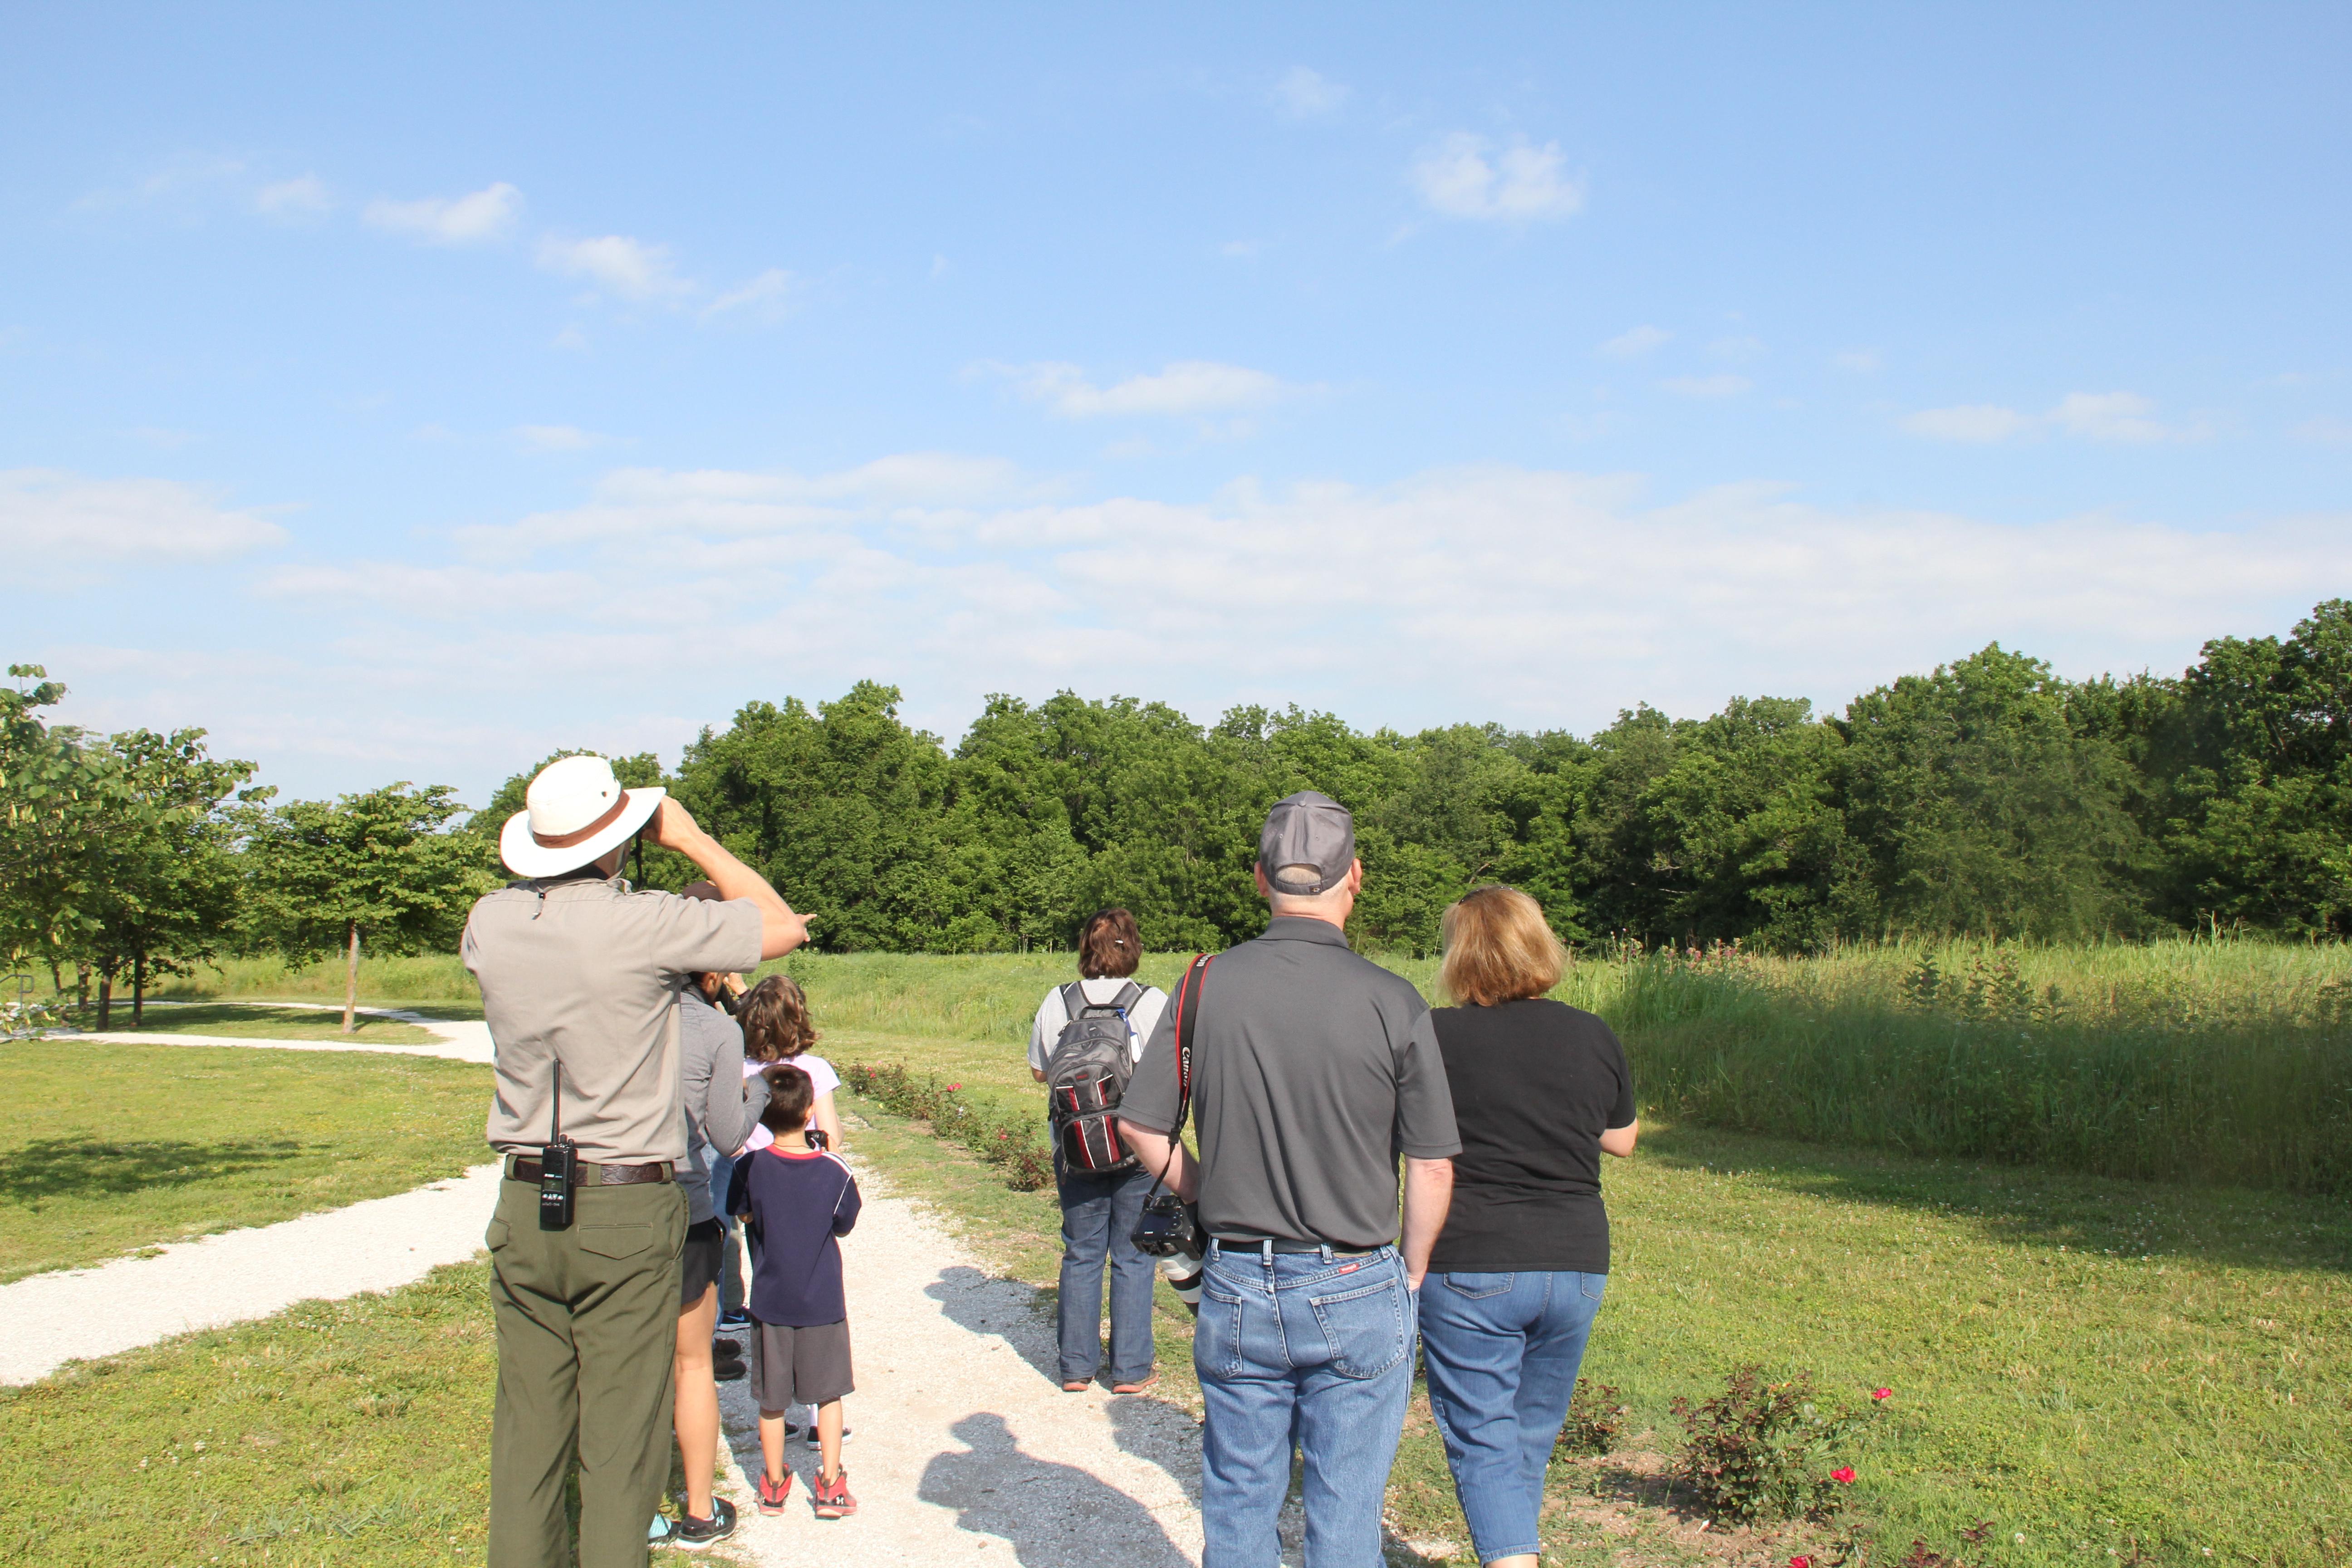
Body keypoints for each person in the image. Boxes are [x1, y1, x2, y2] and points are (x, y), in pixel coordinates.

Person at [465, 754, 810, 1568]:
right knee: (619, 1441)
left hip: (524, 1197)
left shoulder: (490, 920)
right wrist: (688, 837)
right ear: (617, 839)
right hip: (625, 1198)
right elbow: (781, 924)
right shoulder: (646, 922)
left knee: (527, 1432)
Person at [1119, 790, 1460, 1568]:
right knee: (1344, 1512)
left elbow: (1138, 1124)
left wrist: (1202, 1189)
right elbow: (1432, 1161)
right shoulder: (1391, 1000)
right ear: (1356, 877)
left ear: (1257, 878)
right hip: (1355, 1270)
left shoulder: (1203, 985)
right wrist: (1406, 1272)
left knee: (1239, 1499)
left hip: (1239, 1275)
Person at [1414, 885, 1637, 1568]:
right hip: (1576, 1262)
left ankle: (1513, 1559)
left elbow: (1416, 1148)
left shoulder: (1436, 1034)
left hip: (1473, 1258)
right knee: (1527, 1439)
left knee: (1483, 1436)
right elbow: (1622, 1140)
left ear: (1462, 956)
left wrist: (1410, 1266)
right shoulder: (1591, 1033)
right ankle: (1518, 1547)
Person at [647, 885, 770, 1549]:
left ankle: (632, 1508)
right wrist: (755, 1094)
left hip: (608, 1200)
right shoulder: (715, 1028)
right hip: (685, 1201)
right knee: (692, 1363)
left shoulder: (620, 1012)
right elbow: (727, 1136)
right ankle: (699, 1510)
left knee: (626, 1365)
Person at [1028, 907, 1170, 1394]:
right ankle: (1131, 1370)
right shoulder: (1150, 1002)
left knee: (1082, 1253)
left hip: (1075, 1148)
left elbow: (1040, 1071)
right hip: (1136, 1146)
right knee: (1133, 1255)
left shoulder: (1058, 1000)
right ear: (1131, 947)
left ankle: (1076, 1369)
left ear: (1085, 950)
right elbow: (1169, 1073)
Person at [730, 1063, 862, 1521]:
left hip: (770, 1301)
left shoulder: (751, 1166)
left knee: (772, 1400)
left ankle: (773, 1484)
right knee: (827, 1395)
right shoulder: (833, 1169)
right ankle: (829, 1485)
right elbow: (844, 1224)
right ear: (811, 1111)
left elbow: (742, 1214)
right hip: (822, 1300)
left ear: (761, 1113)